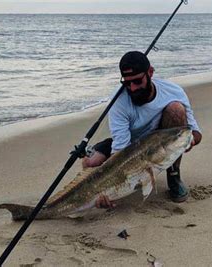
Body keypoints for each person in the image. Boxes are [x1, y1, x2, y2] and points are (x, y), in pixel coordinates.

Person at [82, 51, 202, 209]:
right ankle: (87, 198)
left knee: (176, 109)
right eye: (127, 83)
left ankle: (173, 176)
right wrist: (107, 186)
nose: (132, 88)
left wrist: (189, 140)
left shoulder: (173, 91)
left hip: (159, 137)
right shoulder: (118, 102)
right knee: (89, 163)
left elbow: (195, 132)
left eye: (137, 81)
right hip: (129, 144)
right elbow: (120, 151)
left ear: (150, 73)